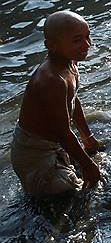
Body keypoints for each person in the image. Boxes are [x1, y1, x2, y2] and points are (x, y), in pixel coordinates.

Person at [10, 10, 103, 197]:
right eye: (77, 40)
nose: (87, 44)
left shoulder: (69, 63)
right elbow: (63, 133)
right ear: (51, 46)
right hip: (34, 153)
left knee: (82, 174)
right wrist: (88, 166)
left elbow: (72, 101)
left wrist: (87, 137)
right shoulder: (52, 80)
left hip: (52, 142)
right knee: (71, 194)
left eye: (87, 36)